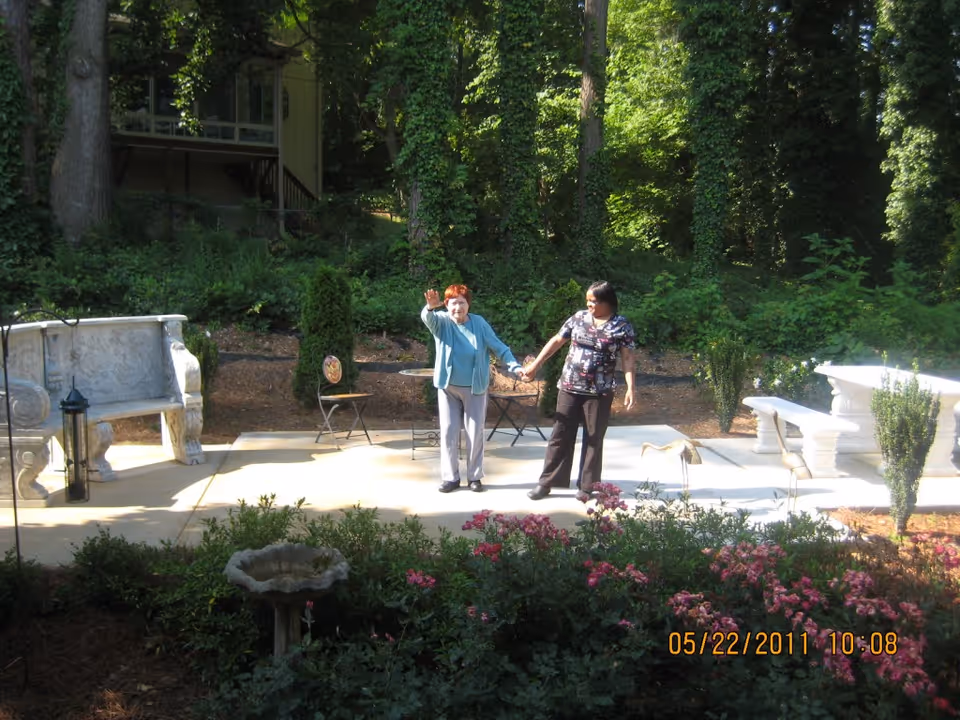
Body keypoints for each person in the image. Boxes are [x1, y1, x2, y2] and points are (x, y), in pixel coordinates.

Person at [520, 281, 636, 502]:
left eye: (593, 301)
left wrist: (631, 387)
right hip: (570, 386)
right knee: (559, 435)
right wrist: (535, 365)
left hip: (600, 391)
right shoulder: (578, 317)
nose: (589, 304)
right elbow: (557, 340)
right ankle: (547, 482)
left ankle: (587, 486)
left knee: (593, 438)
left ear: (607, 302)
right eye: (587, 301)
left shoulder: (621, 325)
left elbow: (628, 358)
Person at [421, 284, 523, 493]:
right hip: (448, 387)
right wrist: (430, 307)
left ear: (468, 304)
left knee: (475, 432)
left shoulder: (479, 323)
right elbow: (427, 319)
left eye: (461, 302)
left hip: (475, 387)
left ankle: (475, 477)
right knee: (449, 431)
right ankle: (450, 478)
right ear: (446, 305)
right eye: (452, 302)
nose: (457, 307)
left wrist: (515, 366)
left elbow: (499, 347)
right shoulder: (441, 321)